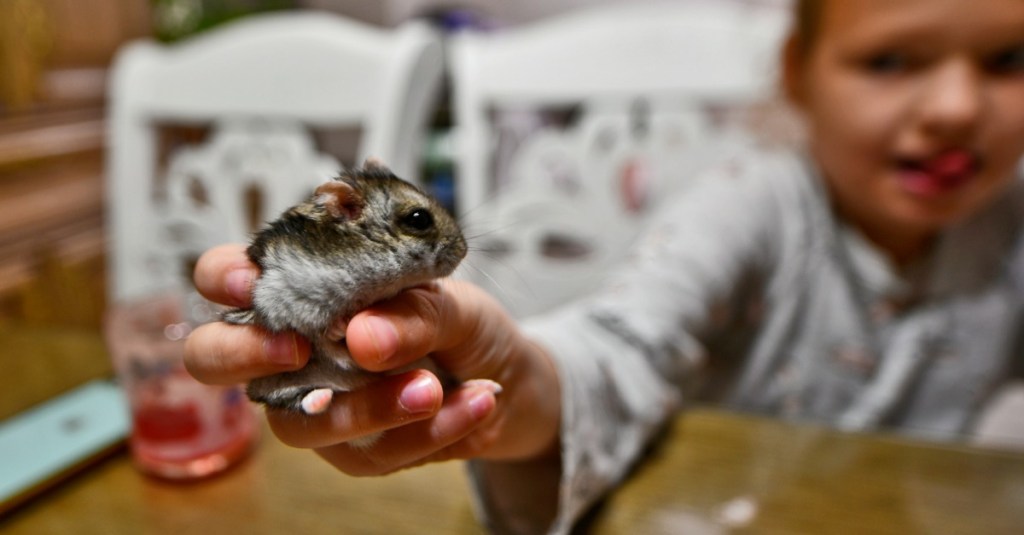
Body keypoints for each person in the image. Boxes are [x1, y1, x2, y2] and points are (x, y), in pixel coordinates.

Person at [184, 0, 1024, 532]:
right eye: (890, 60)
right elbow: (623, 344)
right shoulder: (752, 203)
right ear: (797, 73)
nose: (956, 108)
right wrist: (515, 377)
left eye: (1007, 61)